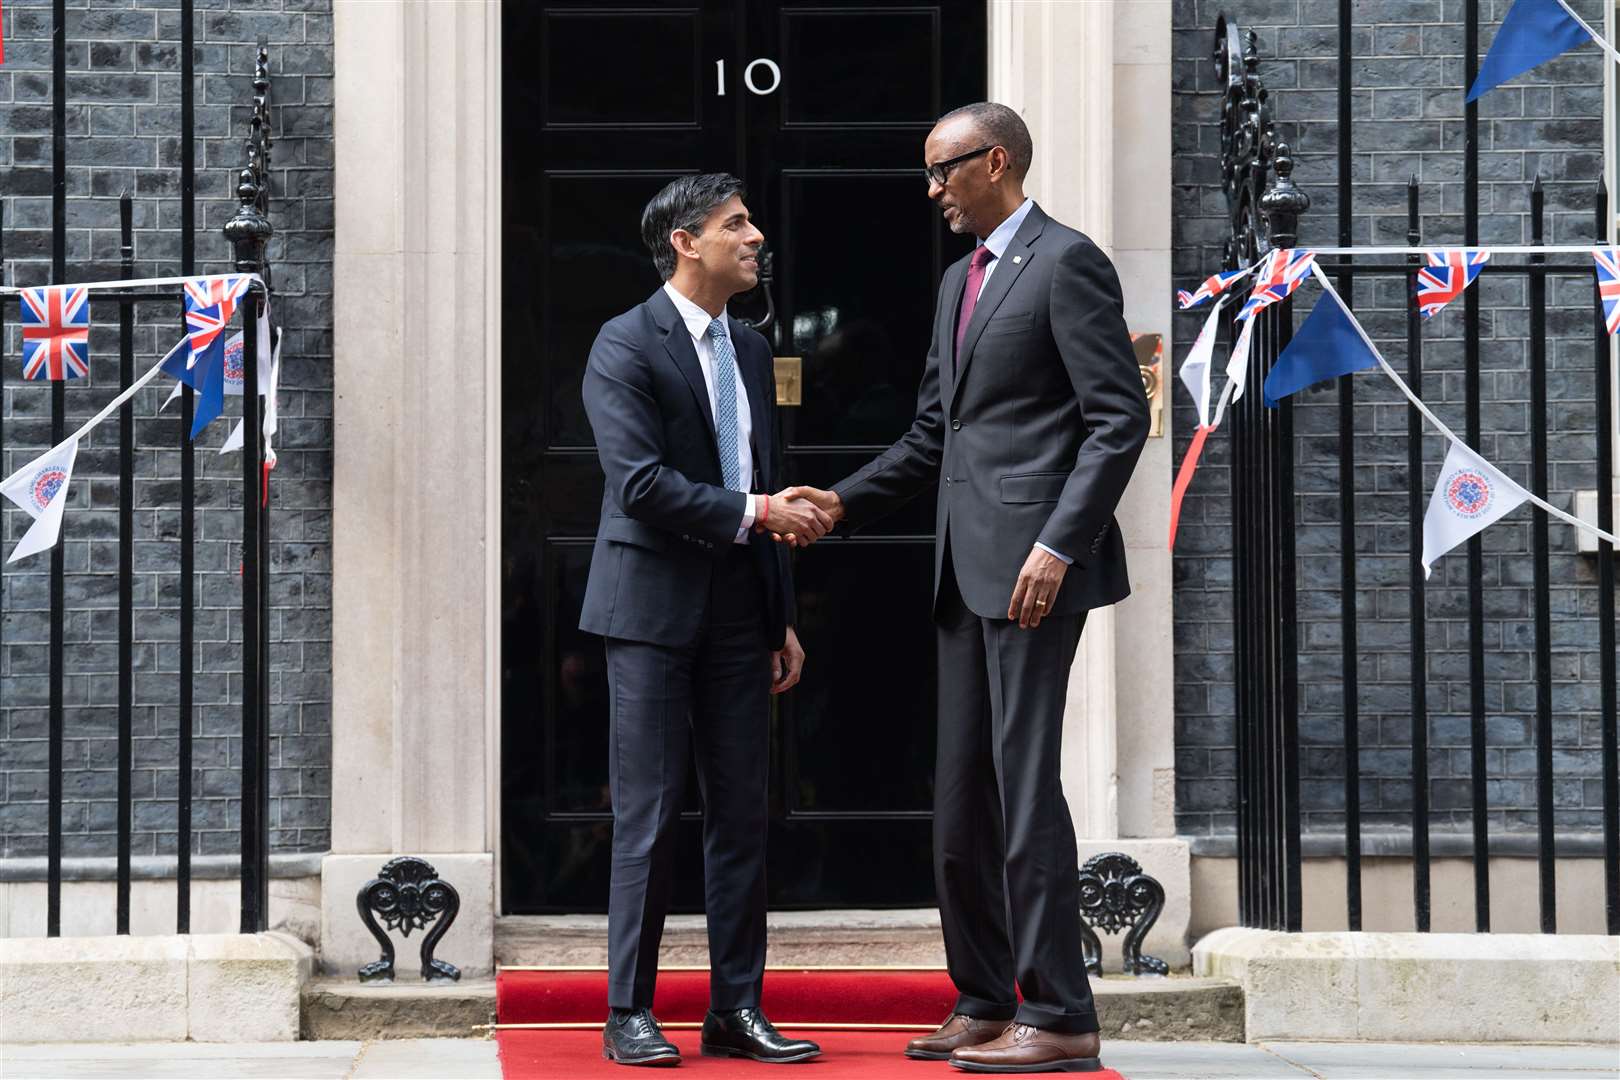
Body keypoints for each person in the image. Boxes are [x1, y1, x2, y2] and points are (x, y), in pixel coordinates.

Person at [787, 103, 1149, 1073]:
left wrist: (1058, 547)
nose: (934, 190)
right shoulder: (958, 282)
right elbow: (931, 435)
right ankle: (985, 997)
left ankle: (1062, 1014)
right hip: (962, 573)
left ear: (997, 160)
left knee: (1025, 797)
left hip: (1036, 575)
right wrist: (839, 503)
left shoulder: (1068, 263)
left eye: (945, 170)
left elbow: (1118, 420)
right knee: (960, 806)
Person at [579, 173, 831, 1067]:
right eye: (736, 224)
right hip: (648, 611)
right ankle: (627, 1012)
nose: (756, 236)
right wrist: (759, 514)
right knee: (646, 815)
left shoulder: (754, 351)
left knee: (741, 815)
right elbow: (640, 485)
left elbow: (756, 463)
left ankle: (735, 1009)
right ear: (687, 241)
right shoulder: (624, 344)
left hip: (737, 614)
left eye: (752, 221)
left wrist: (779, 617)